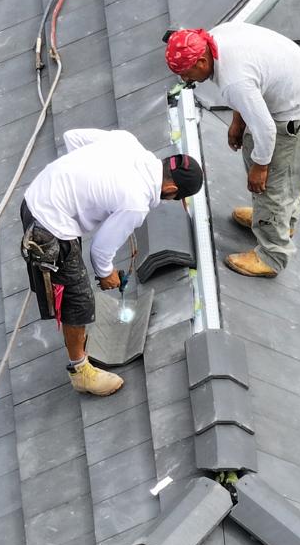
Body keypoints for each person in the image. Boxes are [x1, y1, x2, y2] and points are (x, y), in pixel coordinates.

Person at [21, 129, 204, 396]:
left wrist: (86, 184)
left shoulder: (127, 141)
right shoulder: (135, 202)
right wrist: (106, 275)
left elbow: (72, 136)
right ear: (171, 189)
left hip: (36, 195)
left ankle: (79, 353)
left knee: (75, 283)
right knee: (78, 300)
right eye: (175, 198)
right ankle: (81, 372)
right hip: (49, 227)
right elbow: (100, 250)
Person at [165, 22, 300, 278]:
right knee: (257, 155)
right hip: (293, 93)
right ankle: (277, 219)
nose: (186, 80)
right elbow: (253, 85)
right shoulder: (215, 40)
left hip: (298, 111)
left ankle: (272, 256)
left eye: (187, 74)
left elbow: (266, 130)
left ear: (201, 62)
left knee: (272, 184)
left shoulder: (234, 81)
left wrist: (261, 167)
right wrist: (238, 121)